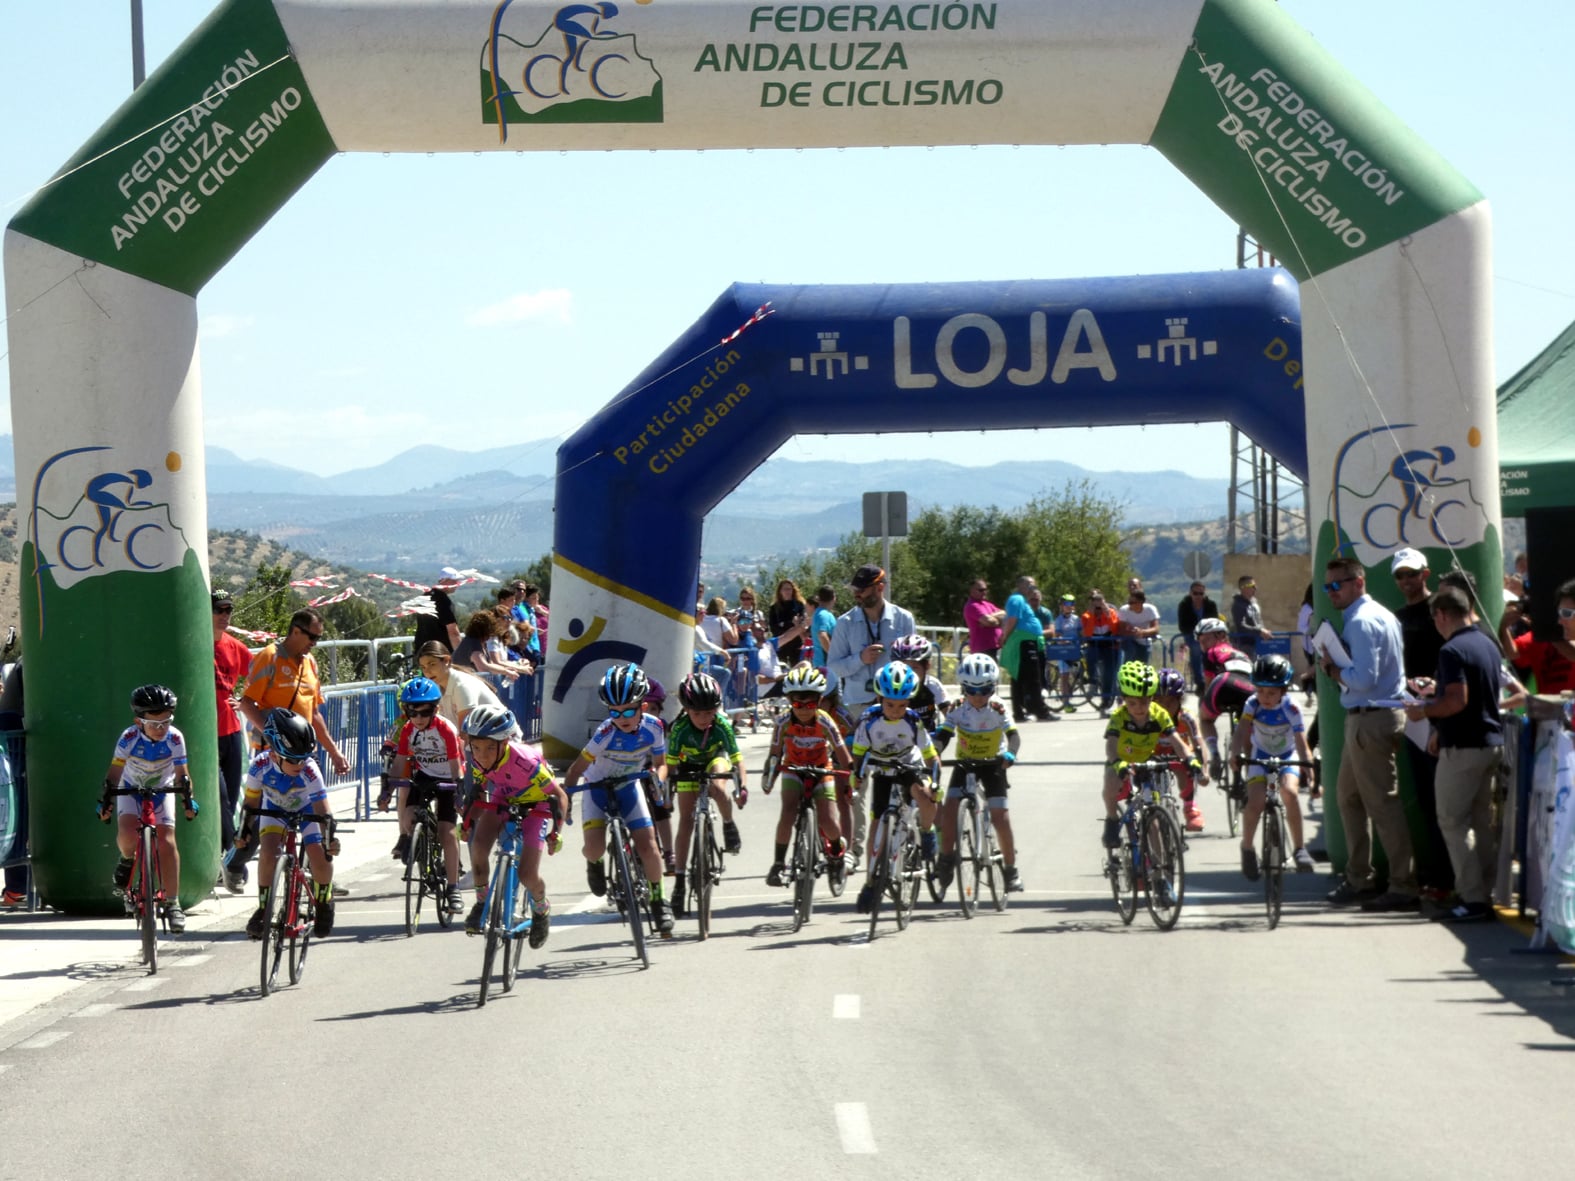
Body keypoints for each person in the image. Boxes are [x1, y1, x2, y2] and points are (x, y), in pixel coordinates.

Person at [1319, 555, 1418, 912]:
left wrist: (1331, 669)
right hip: (1371, 716)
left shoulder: (1360, 622)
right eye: (1328, 586)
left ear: (1358, 582)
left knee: (1381, 803)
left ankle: (1403, 884)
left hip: (1370, 717)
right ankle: (1360, 876)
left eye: (1337, 585)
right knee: (1348, 797)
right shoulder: (1382, 614)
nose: (1331, 592)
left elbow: (1363, 678)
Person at [1406, 586, 1504, 923]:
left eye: (1435, 617)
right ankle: (1485, 893)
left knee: (1451, 821)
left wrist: (1424, 711)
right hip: (1491, 743)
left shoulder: (1451, 650)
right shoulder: (1488, 644)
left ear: (1442, 615)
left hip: (1462, 748)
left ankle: (1472, 899)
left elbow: (1456, 701)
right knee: (1481, 822)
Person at [561, 663, 674, 934]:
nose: (621, 717)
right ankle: (595, 862)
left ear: (643, 706)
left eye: (628, 710)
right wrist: (565, 801)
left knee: (649, 847)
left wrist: (659, 779)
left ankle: (659, 900)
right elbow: (576, 769)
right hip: (596, 788)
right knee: (594, 848)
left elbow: (662, 763)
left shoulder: (655, 727)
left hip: (629, 786)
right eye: (614, 711)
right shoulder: (605, 733)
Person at [827, 564, 917, 865]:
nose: (857, 594)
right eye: (855, 590)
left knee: (901, 767)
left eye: (862, 589)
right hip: (858, 705)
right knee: (858, 776)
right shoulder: (845, 622)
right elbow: (835, 665)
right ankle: (854, 847)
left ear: (880, 587)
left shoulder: (903, 619)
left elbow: (913, 660)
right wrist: (860, 659)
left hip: (895, 704)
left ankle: (903, 834)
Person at [461, 704, 569, 945]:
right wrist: (467, 822)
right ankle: (482, 903)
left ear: (505, 743)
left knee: (527, 874)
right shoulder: (478, 761)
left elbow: (560, 796)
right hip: (504, 798)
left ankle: (541, 909)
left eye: (490, 747)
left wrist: (556, 833)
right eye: (476, 747)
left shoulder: (526, 761)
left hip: (537, 806)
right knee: (478, 848)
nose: (482, 754)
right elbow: (478, 795)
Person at [97, 684, 197, 933]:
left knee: (168, 841)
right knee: (128, 832)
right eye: (154, 724)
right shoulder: (128, 737)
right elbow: (114, 773)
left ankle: (173, 903)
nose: (161, 729)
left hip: (162, 789)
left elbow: (182, 775)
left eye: (166, 722)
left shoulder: (175, 738)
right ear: (138, 721)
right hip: (130, 787)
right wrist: (106, 801)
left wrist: (188, 801)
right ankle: (127, 859)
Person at [851, 662, 941, 914]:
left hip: (908, 766)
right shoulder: (869, 718)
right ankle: (870, 882)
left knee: (925, 796)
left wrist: (935, 781)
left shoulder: (913, 720)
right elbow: (858, 753)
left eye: (902, 705)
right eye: (890, 704)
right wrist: (855, 776)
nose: (895, 711)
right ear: (880, 698)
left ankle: (927, 830)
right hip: (882, 770)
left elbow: (931, 756)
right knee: (876, 828)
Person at [240, 709, 337, 940]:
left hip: (307, 809)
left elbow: (324, 812)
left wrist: (330, 839)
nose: (301, 764)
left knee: (318, 854)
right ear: (274, 755)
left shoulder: (310, 770)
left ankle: (324, 901)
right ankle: (264, 908)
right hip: (274, 809)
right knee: (268, 853)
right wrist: (243, 830)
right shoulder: (259, 766)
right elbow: (251, 804)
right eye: (293, 759)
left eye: (305, 757)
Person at [1390, 547, 1451, 899]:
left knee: (1448, 804)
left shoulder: (1440, 613)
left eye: (1412, 573)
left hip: (1441, 715)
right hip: (1414, 719)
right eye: (1400, 575)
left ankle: (1453, 878)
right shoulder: (1397, 618)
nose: (1406, 581)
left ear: (1425, 574)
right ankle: (1438, 875)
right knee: (1428, 800)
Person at [933, 653, 1023, 892]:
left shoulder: (997, 707)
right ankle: (946, 858)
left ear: (993, 688)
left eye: (984, 690)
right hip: (966, 763)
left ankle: (1011, 870)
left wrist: (1011, 754)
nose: (978, 697)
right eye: (971, 691)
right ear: (963, 689)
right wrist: (935, 752)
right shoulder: (956, 707)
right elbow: (944, 734)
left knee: (1000, 816)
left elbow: (1013, 735)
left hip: (994, 763)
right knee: (950, 810)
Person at [665, 672, 746, 919]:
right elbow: (669, 768)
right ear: (687, 709)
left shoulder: (721, 725)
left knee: (718, 787)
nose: (703, 718)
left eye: (709, 712)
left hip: (714, 759)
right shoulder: (679, 729)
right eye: (697, 713)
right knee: (686, 822)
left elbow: (737, 760)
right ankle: (680, 881)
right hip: (688, 766)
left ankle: (729, 825)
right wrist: (667, 795)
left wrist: (741, 786)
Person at [762, 664, 852, 889]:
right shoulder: (782, 722)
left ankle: (836, 855)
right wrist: (769, 780)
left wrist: (851, 781)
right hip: (793, 768)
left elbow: (843, 754)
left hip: (822, 769)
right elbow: (774, 755)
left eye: (810, 703)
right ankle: (778, 864)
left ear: (819, 701)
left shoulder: (824, 721)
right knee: (787, 812)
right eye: (796, 704)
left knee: (829, 820)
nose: (803, 709)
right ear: (789, 701)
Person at [1229, 654, 1316, 877]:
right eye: (1260, 691)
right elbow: (1241, 731)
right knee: (1255, 802)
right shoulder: (1252, 704)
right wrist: (1235, 751)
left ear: (1283, 691)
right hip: (1261, 754)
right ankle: (1247, 847)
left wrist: (1308, 763)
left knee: (1289, 793)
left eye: (1272, 693)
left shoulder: (1292, 707)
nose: (1265, 697)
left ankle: (1299, 849)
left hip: (1287, 754)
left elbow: (1300, 739)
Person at [384, 676, 465, 916]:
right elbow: (399, 763)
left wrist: (458, 791)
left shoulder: (445, 729)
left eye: (424, 712)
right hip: (424, 775)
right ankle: (418, 843)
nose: (418, 718)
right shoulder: (408, 729)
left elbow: (455, 765)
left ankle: (453, 888)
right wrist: (387, 790)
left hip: (448, 776)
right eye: (412, 712)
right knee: (408, 817)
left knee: (447, 831)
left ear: (435, 710)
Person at [1099, 663, 1202, 850]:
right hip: (1120, 761)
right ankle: (1112, 820)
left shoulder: (1159, 714)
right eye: (1132, 703)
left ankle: (1158, 869)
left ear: (1151, 698)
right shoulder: (1118, 717)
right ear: (1123, 699)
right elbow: (1111, 746)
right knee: (1110, 787)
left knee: (1151, 814)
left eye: (1145, 702)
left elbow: (1177, 742)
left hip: (1147, 760)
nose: (1139, 708)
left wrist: (1190, 759)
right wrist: (1116, 762)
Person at [238, 608, 350, 775]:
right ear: (296, 631)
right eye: (312, 637)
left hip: (305, 753)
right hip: (274, 755)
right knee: (269, 801)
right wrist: (274, 740)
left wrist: (334, 752)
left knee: (317, 801)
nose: (314, 643)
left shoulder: (310, 662)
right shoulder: (270, 657)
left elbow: (314, 714)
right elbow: (246, 704)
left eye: (318, 638)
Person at [211, 589, 253, 892]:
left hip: (230, 731)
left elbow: (259, 673)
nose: (225, 615)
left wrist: (246, 699)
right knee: (221, 798)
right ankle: (231, 861)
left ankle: (229, 862)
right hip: (205, 735)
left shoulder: (235, 647)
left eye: (229, 610)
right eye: (219, 610)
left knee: (233, 796)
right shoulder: (196, 643)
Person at [1194, 617, 1255, 780]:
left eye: (1206, 639)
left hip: (1224, 682)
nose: (1203, 645)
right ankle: (1252, 784)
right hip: (1249, 688)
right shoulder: (1243, 655)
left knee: (1205, 719)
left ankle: (1214, 753)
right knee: (1248, 740)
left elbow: (1208, 685)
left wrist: (1204, 705)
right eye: (1200, 642)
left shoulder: (1211, 653)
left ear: (1221, 636)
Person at [414, 641, 510, 736]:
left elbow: (465, 734)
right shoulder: (436, 687)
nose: (427, 671)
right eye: (423, 667)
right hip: (478, 745)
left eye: (432, 664)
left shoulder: (462, 685)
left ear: (447, 660)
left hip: (502, 742)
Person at [1500, 576, 1575, 695]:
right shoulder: (1538, 636)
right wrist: (1504, 627)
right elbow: (1512, 653)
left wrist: (1544, 630)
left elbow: (1572, 653)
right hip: (1550, 710)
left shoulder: (1546, 634)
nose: (1561, 620)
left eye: (1566, 613)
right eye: (1559, 612)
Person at [1153, 668, 1207, 832]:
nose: (1164, 706)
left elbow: (1199, 744)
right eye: (1159, 701)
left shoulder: (1186, 718)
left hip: (1179, 753)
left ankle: (1190, 809)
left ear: (1180, 700)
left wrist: (1204, 771)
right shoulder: (1148, 717)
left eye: (1170, 702)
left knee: (1187, 770)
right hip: (1153, 754)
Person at [999, 574, 1053, 723]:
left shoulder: (1022, 600)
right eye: (1029, 585)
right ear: (1020, 585)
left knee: (1020, 679)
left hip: (1027, 641)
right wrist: (1004, 637)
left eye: (1034, 586)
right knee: (1033, 679)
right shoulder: (1016, 599)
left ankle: (1019, 712)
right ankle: (1040, 711)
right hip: (1023, 642)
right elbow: (1012, 620)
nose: (1032, 589)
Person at [1081, 589, 1122, 714]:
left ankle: (1106, 700)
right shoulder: (1086, 616)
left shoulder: (1110, 612)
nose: (1099, 609)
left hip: (1109, 646)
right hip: (1094, 645)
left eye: (1100, 604)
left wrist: (1107, 613)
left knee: (1108, 674)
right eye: (1096, 605)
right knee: (1091, 657)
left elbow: (1114, 629)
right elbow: (1087, 633)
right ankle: (1093, 681)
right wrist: (1093, 616)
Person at [1176, 581, 1220, 692]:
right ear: (1190, 593)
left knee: (1213, 652)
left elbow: (1215, 622)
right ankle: (1200, 681)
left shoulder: (1211, 605)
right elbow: (1183, 626)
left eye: (1201, 593)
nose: (1198, 596)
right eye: (1196, 593)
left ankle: (1214, 679)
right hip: (1191, 635)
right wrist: (1198, 634)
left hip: (1209, 635)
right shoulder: (1184, 605)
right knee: (1196, 650)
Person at [1050, 593, 1084, 712]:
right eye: (1067, 604)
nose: (1069, 606)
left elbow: (1081, 632)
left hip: (1074, 649)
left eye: (1072, 604)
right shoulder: (1058, 620)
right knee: (1064, 677)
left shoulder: (1076, 619)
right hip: (1063, 650)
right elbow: (1058, 634)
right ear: (1061, 606)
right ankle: (1066, 704)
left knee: (1076, 674)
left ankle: (1069, 695)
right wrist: (1064, 640)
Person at [413, 578, 462, 654]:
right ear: (444, 581)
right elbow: (453, 632)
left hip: (422, 651)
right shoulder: (443, 600)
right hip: (439, 653)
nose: (457, 583)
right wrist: (461, 655)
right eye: (453, 581)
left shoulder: (426, 596)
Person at [767, 578, 810, 666]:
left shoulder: (799, 605)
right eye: (785, 589)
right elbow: (773, 627)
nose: (787, 592)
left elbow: (804, 622)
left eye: (789, 589)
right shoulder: (774, 608)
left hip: (796, 643)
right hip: (781, 643)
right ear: (780, 591)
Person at [1117, 587, 1161, 667]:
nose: (1130, 605)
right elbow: (1121, 629)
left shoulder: (1150, 609)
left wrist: (1142, 632)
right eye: (1129, 602)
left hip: (1144, 642)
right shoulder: (1124, 610)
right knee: (1129, 659)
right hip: (1129, 642)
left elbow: (1156, 628)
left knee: (1143, 667)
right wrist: (1132, 632)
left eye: (1132, 602)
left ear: (1141, 602)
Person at [1230, 575, 1273, 656]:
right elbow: (1241, 626)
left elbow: (1259, 621)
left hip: (1259, 642)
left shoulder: (1254, 602)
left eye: (1255, 586)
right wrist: (1259, 631)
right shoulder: (1238, 604)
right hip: (1245, 645)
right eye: (1252, 586)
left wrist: (1264, 632)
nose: (1255, 588)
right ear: (1243, 588)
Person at [963, 577, 1005, 661]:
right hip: (982, 650)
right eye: (981, 590)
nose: (984, 592)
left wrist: (990, 616)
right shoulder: (972, 606)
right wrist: (997, 620)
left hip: (993, 647)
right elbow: (990, 622)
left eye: (985, 589)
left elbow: (1005, 613)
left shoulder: (987, 604)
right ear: (971, 590)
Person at [810, 585, 838, 673]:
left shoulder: (819, 613)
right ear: (833, 598)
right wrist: (833, 656)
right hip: (825, 665)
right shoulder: (823, 615)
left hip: (823, 664)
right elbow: (822, 635)